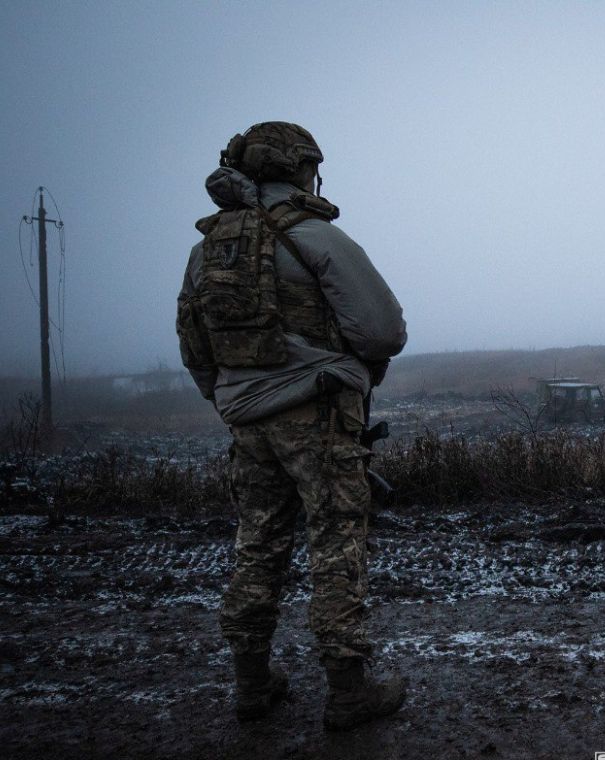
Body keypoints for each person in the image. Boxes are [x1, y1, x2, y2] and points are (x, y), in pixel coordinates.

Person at [175, 121, 408, 730]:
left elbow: (194, 345)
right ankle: (349, 692)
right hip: (319, 412)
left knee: (257, 545)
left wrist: (235, 399)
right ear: (303, 169)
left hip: (246, 423)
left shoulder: (207, 252)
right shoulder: (314, 237)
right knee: (336, 546)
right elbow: (384, 330)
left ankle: (252, 682)